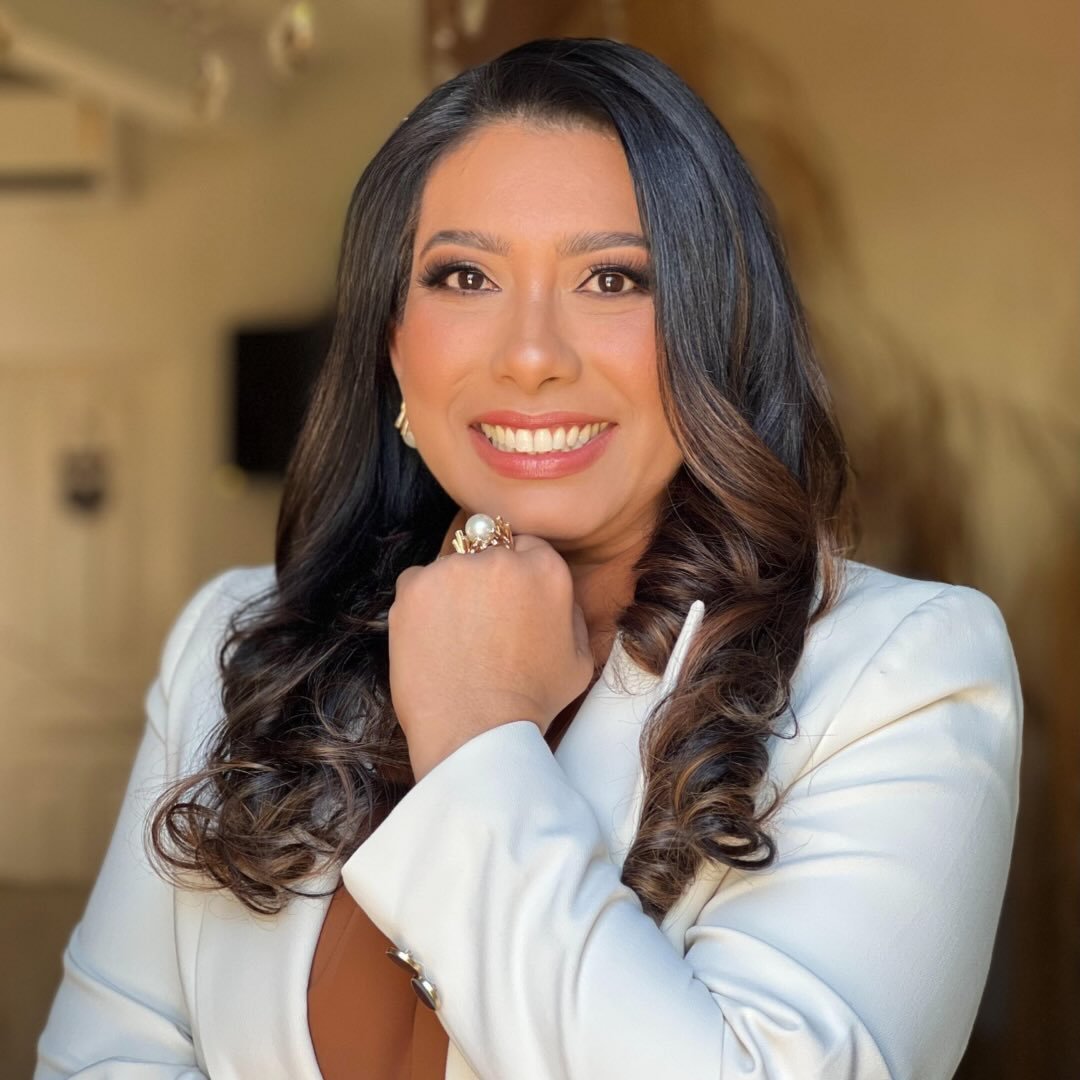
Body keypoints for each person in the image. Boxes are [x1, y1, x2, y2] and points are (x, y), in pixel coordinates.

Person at [36, 37, 1021, 1080]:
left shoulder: (899, 677)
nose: (533, 355)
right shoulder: (237, 646)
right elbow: (106, 1060)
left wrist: (477, 737)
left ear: (716, 328)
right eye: (465, 277)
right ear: (395, 343)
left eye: (612, 278)